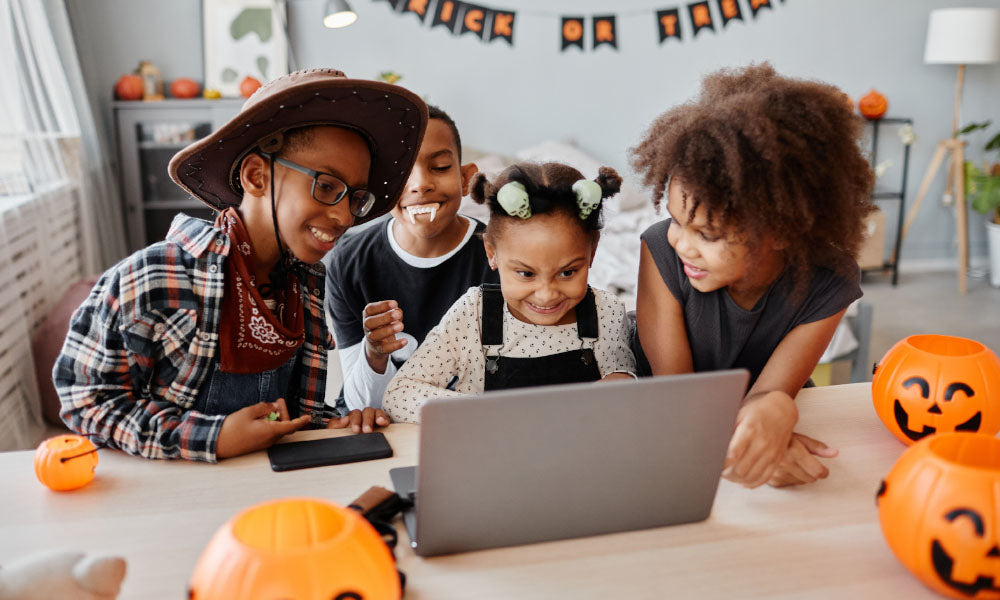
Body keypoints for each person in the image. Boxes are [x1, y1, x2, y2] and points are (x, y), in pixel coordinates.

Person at [53, 68, 428, 461]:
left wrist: (325, 425)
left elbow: (294, 416)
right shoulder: (154, 277)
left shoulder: (305, 284)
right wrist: (211, 436)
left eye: (354, 198)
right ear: (255, 177)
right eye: (328, 186)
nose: (345, 217)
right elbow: (85, 401)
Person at [630, 63, 875, 488]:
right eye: (676, 221)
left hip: (717, 426)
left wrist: (777, 410)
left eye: (706, 233)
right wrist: (756, 439)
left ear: (780, 229)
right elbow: (679, 398)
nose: (682, 244)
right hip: (662, 423)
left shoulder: (830, 280)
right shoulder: (660, 252)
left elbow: (772, 392)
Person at [383, 162, 636, 423]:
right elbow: (400, 394)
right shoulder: (473, 315)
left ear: (592, 252)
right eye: (526, 274)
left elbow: (624, 383)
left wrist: (621, 384)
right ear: (492, 254)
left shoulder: (605, 311)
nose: (547, 295)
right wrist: (499, 411)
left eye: (568, 272)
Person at [324, 105, 497, 420]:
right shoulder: (348, 262)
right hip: (385, 427)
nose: (420, 184)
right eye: (401, 171)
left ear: (465, 179)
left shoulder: (502, 258)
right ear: (381, 186)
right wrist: (374, 354)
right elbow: (359, 403)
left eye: (440, 166)